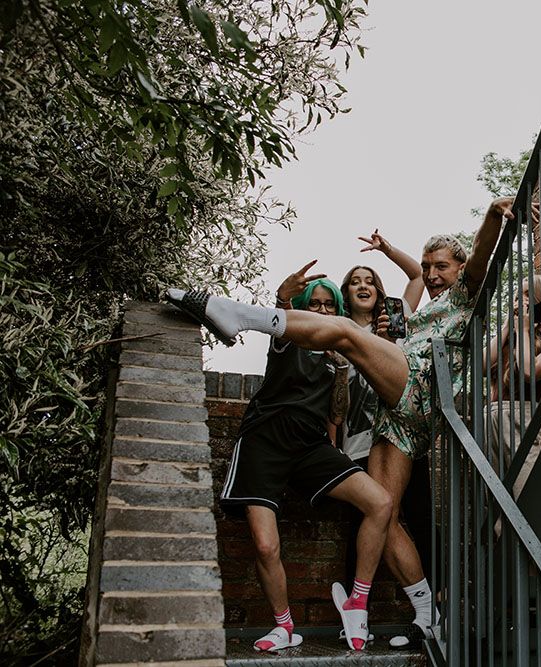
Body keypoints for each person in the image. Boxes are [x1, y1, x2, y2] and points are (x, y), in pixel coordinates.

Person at [167, 196, 514, 646]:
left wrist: (490, 215)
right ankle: (427, 612)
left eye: (440, 267)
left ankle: (242, 316)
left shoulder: (467, 292)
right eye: (427, 267)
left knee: (349, 333)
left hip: (421, 389)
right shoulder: (423, 308)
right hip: (398, 417)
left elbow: (482, 255)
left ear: (459, 267)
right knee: (382, 514)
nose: (431, 276)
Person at [218, 277, 392, 652]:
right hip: (265, 440)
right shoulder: (290, 338)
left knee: (380, 502)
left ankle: (356, 601)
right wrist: (283, 298)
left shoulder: (336, 356)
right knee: (266, 546)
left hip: (311, 445)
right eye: (315, 304)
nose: (323, 311)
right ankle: (283, 627)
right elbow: (280, 319)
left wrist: (343, 370)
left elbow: (338, 413)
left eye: (330, 305)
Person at [337, 233, 439, 610]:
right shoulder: (339, 334)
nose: (363, 286)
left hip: (404, 439)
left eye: (370, 281)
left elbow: (418, 278)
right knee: (363, 524)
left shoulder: (396, 322)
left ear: (380, 291)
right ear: (345, 293)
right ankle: (356, 607)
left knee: (420, 518)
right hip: (357, 444)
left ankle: (435, 604)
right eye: (354, 281)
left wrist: (387, 250)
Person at [484, 275, 541, 575]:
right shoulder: (510, 334)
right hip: (492, 418)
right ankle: (521, 596)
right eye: (515, 293)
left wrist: (522, 330)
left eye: (524, 294)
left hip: (523, 419)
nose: (516, 298)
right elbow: (483, 364)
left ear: (540, 301)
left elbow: (526, 373)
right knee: (501, 515)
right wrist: (509, 327)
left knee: (531, 503)